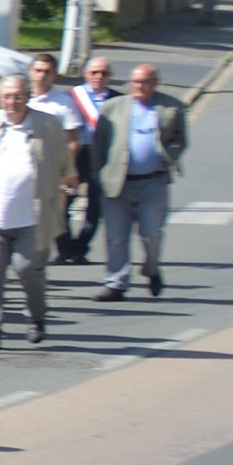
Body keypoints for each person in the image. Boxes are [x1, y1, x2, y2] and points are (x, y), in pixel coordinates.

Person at [0, 71, 71, 352]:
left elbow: (64, 164)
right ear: (0, 98)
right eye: (7, 97)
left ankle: (37, 317)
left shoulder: (47, 125)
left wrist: (63, 194)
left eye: (18, 96)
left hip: (31, 217)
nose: (12, 102)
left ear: (28, 96)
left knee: (28, 270)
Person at [93, 63, 189, 300]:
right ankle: (116, 283)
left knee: (152, 233)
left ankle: (152, 269)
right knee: (116, 236)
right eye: (135, 81)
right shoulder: (112, 107)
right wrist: (98, 175)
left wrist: (170, 155)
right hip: (118, 182)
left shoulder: (171, 107)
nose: (139, 86)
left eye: (144, 82)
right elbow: (98, 144)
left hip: (153, 182)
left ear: (155, 83)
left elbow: (180, 139)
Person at [49, 53, 111, 262]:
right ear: (86, 74)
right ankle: (64, 247)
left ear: (109, 76)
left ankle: (81, 248)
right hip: (75, 153)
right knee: (62, 203)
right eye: (94, 72)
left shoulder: (118, 99)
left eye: (103, 73)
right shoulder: (71, 97)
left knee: (95, 206)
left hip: (102, 157)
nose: (98, 76)